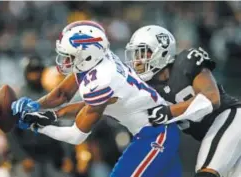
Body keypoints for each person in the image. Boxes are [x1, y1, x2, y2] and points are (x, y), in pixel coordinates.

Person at [11, 20, 182, 177]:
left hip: (157, 132)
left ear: (87, 54)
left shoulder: (103, 80)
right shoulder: (97, 60)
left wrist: (38, 126)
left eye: (70, 56)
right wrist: (35, 105)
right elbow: (62, 94)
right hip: (152, 130)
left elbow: (76, 135)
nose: (65, 61)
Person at [124, 25, 241, 177]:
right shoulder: (146, 91)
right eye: (135, 55)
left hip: (231, 118)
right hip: (215, 136)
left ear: (162, 50)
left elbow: (211, 98)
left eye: (143, 53)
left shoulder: (186, 62)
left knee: (206, 173)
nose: (137, 61)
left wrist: (168, 112)